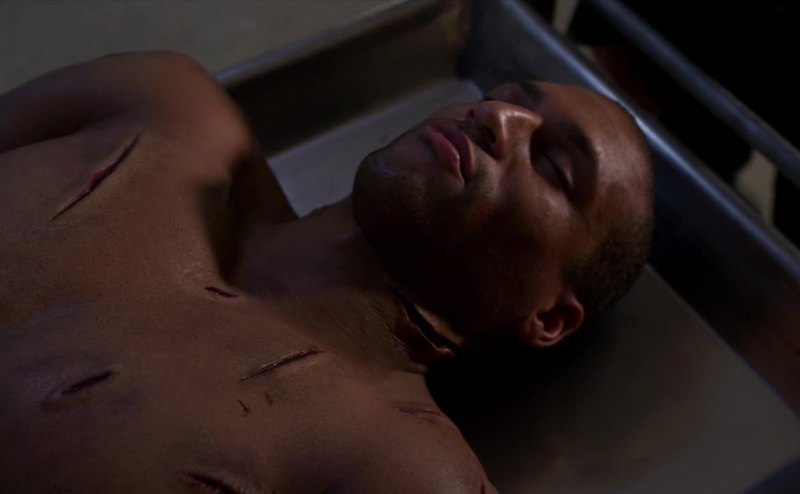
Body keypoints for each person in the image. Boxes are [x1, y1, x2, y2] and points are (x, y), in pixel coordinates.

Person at [0, 52, 653, 493]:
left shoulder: (402, 465)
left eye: (554, 165)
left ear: (549, 317)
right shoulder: (161, 102)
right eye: (503, 99)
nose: (497, 117)